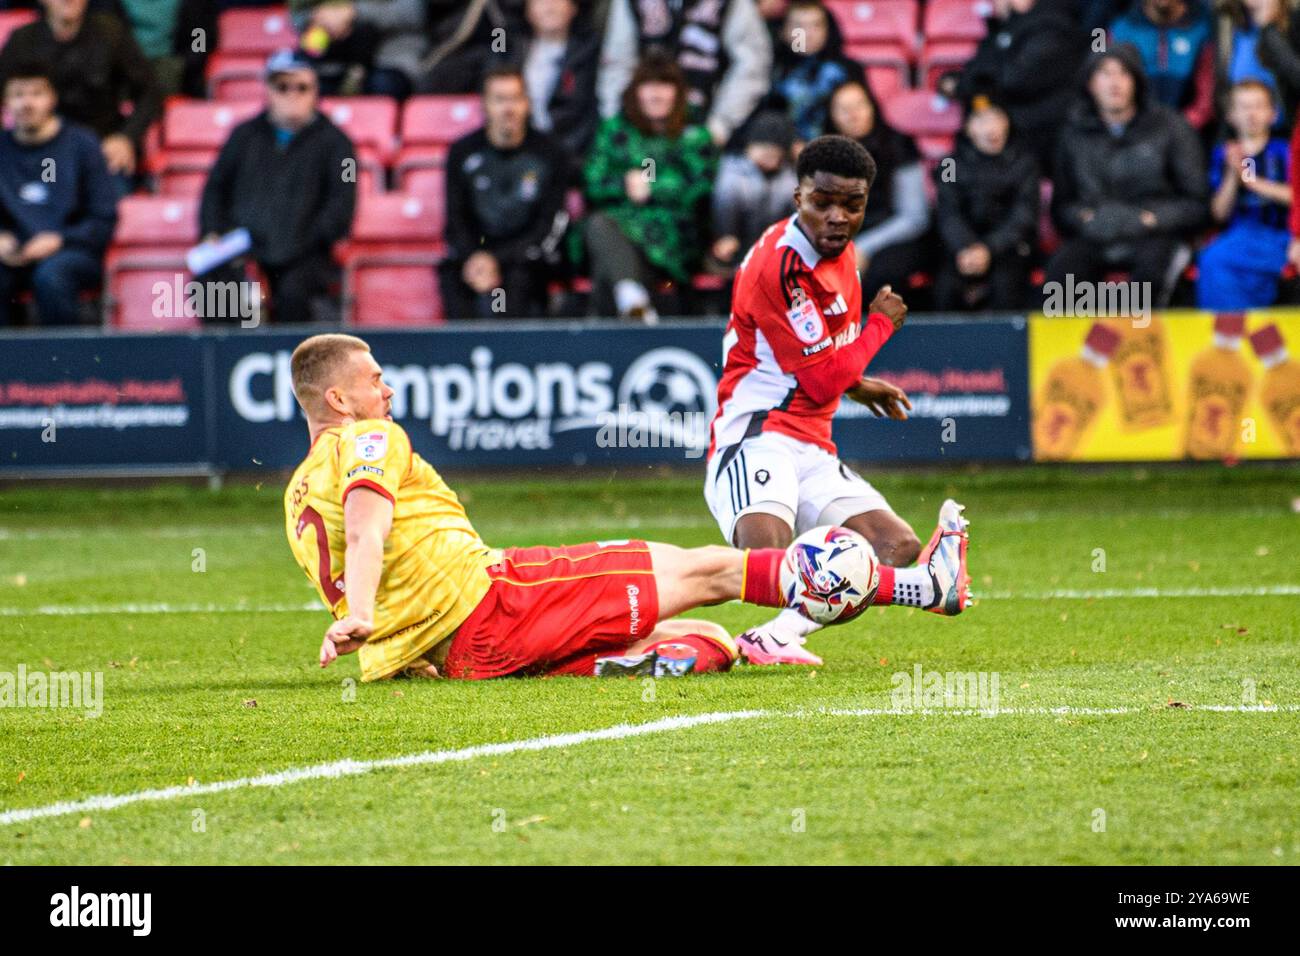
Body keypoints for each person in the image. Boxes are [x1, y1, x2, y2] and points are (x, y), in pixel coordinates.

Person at [283, 334, 972, 680]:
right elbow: (369, 524)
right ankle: (919, 586)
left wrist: (388, 640)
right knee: (713, 569)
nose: (388, 390)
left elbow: (350, 561)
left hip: (461, 653)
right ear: (339, 401)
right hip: (498, 598)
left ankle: (641, 657)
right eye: (375, 380)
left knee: (711, 642)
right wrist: (366, 615)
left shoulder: (293, 496)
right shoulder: (369, 437)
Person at [703, 135, 972, 666]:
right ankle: (921, 589)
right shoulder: (781, 266)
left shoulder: (843, 255)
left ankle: (778, 635)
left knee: (896, 548)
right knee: (769, 559)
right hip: (756, 435)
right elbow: (823, 377)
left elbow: (822, 360)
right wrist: (881, 325)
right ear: (796, 195)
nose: (837, 216)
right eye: (822, 201)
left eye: (853, 205)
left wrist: (858, 383)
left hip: (813, 444)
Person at [199, 50, 356, 323]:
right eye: (282, 86)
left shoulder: (338, 144)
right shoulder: (242, 135)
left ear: (315, 91)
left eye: (302, 87)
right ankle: (226, 360)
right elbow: (215, 189)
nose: (292, 94)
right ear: (268, 90)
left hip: (306, 252)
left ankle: (290, 363)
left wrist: (305, 241)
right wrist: (212, 231)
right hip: (243, 246)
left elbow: (342, 204)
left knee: (295, 293)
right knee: (213, 285)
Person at [1046, 45, 1207, 309]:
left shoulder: (1171, 127)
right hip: (1095, 234)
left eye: (1123, 73)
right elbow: (1061, 207)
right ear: (1090, 83)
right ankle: (1074, 350)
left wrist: (1152, 218)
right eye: (1105, 73)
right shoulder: (1073, 133)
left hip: (1155, 234)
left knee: (1149, 285)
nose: (1114, 83)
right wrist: (1085, 219)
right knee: (1059, 279)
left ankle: (1142, 347)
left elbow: (1197, 204)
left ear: (1137, 81)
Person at [582, 52, 717, 320]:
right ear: (636, 92)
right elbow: (592, 181)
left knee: (606, 257)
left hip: (677, 237)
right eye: (648, 85)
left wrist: (653, 187)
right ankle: (634, 306)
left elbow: (700, 186)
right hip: (620, 229)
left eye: (665, 85)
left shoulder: (695, 134)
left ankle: (611, 330)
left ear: (678, 93)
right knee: (600, 228)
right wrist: (623, 184)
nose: (656, 94)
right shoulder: (615, 131)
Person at [440, 66, 568, 320]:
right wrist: (474, 257)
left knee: (520, 276)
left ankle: (514, 355)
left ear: (527, 103)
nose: (508, 109)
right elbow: (455, 218)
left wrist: (498, 259)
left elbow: (551, 221)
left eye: (515, 99)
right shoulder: (462, 152)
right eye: (499, 99)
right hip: (477, 253)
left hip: (528, 255)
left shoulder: (550, 152)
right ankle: (459, 355)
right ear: (485, 105)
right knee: (451, 273)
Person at [0, 0, 162, 195]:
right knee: (31, 203)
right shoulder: (22, 41)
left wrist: (126, 137)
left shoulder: (110, 33)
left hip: (102, 150)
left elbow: (149, 92)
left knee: (109, 206)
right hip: (41, 152)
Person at [0, 63, 116, 326]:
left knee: (51, 276)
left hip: (73, 252)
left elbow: (103, 219)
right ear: (6, 102)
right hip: (14, 254)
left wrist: (60, 240)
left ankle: (62, 363)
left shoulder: (82, 145)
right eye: (17, 95)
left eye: (36, 93)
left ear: (52, 98)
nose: (26, 103)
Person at [597, 0, 772, 148]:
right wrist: (614, 116)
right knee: (642, 182)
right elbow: (617, 60)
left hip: (703, 129)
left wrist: (720, 125)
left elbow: (753, 64)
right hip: (639, 131)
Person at [823, 79, 931, 297]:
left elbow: (914, 217)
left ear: (872, 106)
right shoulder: (822, 152)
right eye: (843, 109)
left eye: (859, 106)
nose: (853, 115)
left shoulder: (900, 144)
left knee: (880, 279)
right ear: (832, 116)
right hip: (840, 239)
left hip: (894, 237)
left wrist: (862, 247)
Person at [951, 0, 1086, 172]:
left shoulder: (1052, 26)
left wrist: (976, 78)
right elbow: (976, 73)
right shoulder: (1007, 27)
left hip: (1039, 139)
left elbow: (1013, 78)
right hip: (1014, 134)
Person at [934, 95, 1039, 311]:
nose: (991, 128)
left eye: (996, 119)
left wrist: (989, 248)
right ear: (968, 128)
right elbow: (947, 211)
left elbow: (1024, 215)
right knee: (945, 288)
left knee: (1006, 287)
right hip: (961, 249)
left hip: (1008, 249)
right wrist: (965, 246)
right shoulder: (949, 164)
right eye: (981, 121)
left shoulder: (1025, 162)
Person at [1198, 79, 1291, 309]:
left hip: (1282, 237)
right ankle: (1229, 339)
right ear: (1231, 116)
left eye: (1259, 106)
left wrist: (1252, 182)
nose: (1252, 114)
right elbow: (1219, 213)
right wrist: (1232, 174)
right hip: (1239, 237)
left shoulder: (1285, 151)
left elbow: (1294, 197)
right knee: (1212, 259)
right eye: (1244, 107)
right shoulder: (1224, 154)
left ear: (1273, 113)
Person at [492, 0, 601, 172]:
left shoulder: (590, 51)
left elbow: (586, 113)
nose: (549, 6)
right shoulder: (508, 47)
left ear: (573, 8)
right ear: (527, 10)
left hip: (571, 155)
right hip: (515, 152)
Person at [764, 0, 865, 144]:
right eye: (799, 27)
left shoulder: (848, 69)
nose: (808, 34)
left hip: (838, 151)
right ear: (783, 31)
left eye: (816, 25)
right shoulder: (771, 70)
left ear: (827, 29)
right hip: (782, 153)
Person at [1109, 0, 1216, 134]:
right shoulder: (1122, 29)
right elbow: (1107, 87)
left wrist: (1177, 129)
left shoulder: (1202, 27)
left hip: (1189, 133)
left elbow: (1206, 98)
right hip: (1134, 134)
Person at [710, 110, 798, 270]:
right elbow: (724, 207)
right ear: (749, 146)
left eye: (776, 147)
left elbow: (797, 214)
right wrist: (726, 235)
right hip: (737, 245)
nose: (769, 151)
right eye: (762, 145)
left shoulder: (789, 178)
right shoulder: (733, 172)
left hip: (777, 251)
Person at [1213, 0, 1300, 127]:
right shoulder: (1226, 22)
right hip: (1238, 130)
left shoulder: (1294, 24)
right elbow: (1220, 86)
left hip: (1285, 130)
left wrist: (1268, 29)